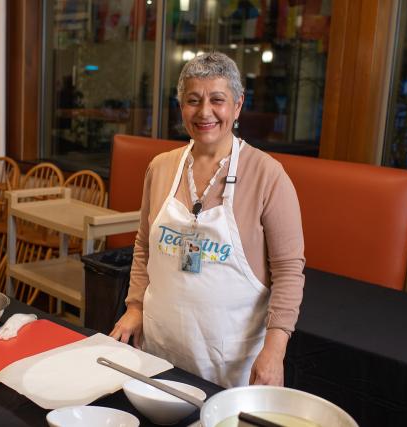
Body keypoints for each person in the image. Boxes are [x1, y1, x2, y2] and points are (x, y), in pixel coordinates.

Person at [110, 52, 305, 388]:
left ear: (238, 105)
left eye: (218, 100)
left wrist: (274, 350)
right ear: (180, 106)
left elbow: (289, 271)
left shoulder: (267, 175)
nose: (205, 112)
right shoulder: (161, 167)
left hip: (231, 366)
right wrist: (135, 308)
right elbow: (144, 247)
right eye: (193, 100)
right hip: (160, 353)